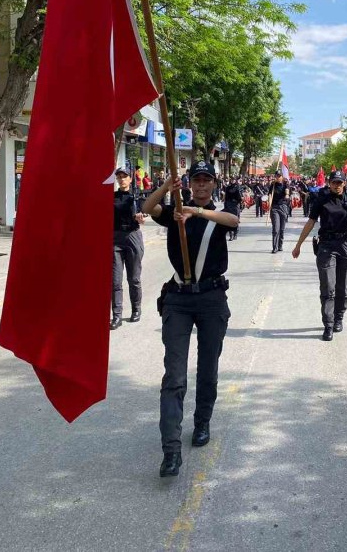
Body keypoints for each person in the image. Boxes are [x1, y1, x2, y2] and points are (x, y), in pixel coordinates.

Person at [141, 161, 239, 478]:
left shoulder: (216, 213)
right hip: (179, 300)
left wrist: (196, 213)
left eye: (205, 181)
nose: (200, 186)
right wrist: (166, 189)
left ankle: (202, 423)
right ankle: (171, 451)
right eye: (195, 181)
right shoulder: (174, 213)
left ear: (213, 185)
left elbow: (233, 220)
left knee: (208, 367)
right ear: (189, 184)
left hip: (211, 299)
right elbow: (146, 207)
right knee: (174, 376)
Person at [291, 170, 347, 341]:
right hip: (326, 246)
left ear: (344, 184)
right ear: (329, 183)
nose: (337, 186)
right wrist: (298, 245)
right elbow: (311, 222)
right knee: (328, 286)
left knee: (342, 287)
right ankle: (328, 324)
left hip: (345, 244)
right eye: (334, 182)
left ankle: (339, 318)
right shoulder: (321, 200)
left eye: (340, 183)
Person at [111, 167, 145, 330]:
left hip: (132, 236)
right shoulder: (112, 197)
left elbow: (143, 212)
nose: (122, 179)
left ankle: (136, 309)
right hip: (115, 238)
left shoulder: (136, 197)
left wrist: (141, 216)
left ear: (130, 179)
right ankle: (116, 316)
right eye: (119, 177)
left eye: (124, 176)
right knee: (115, 280)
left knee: (134, 278)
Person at [267, 171, 290, 253]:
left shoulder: (285, 183)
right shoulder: (272, 185)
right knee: (276, 229)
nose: (278, 177)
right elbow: (269, 195)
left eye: (279, 176)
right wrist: (269, 203)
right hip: (274, 208)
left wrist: (287, 195)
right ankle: (275, 247)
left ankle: (280, 245)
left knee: (282, 229)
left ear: (282, 176)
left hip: (283, 207)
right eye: (277, 176)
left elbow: (287, 190)